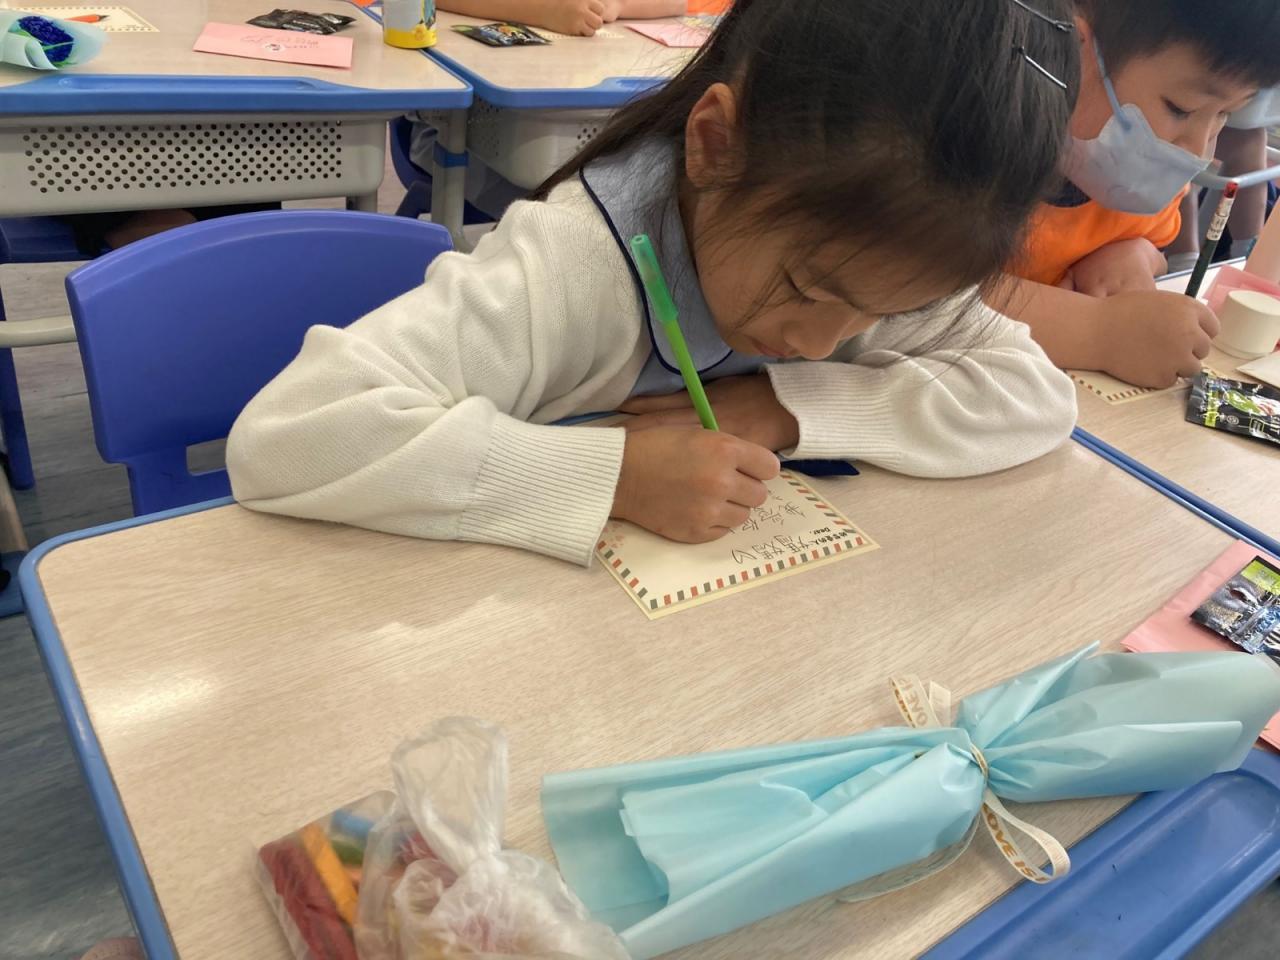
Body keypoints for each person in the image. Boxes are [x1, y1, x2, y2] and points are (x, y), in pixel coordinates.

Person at [226, 0, 1080, 566]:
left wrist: (785, 406)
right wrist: (615, 475)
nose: (825, 340)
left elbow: (1037, 395)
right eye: (805, 288)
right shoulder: (573, 266)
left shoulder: (885, 259)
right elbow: (288, 436)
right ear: (714, 145)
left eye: (887, 312)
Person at [1007, 0, 1280, 388]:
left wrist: (1137, 253)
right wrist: (1101, 331)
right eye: (1181, 108)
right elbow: (935, 300)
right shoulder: (972, 160)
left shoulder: (1139, 178)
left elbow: (1153, 247)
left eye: (1225, 114)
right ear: (1072, 51)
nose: (1198, 148)